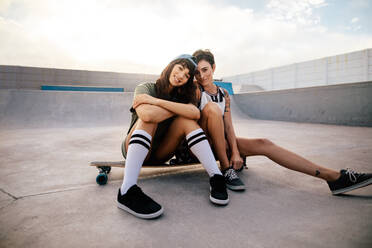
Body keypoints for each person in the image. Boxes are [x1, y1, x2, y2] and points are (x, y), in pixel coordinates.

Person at [191, 49, 372, 195]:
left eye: (205, 70)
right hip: (208, 144)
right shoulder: (196, 93)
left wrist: (236, 152)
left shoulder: (224, 94)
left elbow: (229, 126)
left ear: (213, 68)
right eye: (197, 72)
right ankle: (225, 169)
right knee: (214, 118)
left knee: (265, 143)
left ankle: (334, 178)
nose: (202, 76)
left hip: (226, 143)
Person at [118, 54, 229, 220]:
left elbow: (194, 113)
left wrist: (156, 102)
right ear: (171, 66)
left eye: (186, 76)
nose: (181, 76)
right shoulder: (146, 87)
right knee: (151, 120)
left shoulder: (183, 95)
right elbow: (147, 115)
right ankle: (127, 190)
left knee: (187, 121)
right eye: (180, 68)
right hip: (135, 148)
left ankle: (216, 177)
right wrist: (178, 108)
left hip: (161, 152)